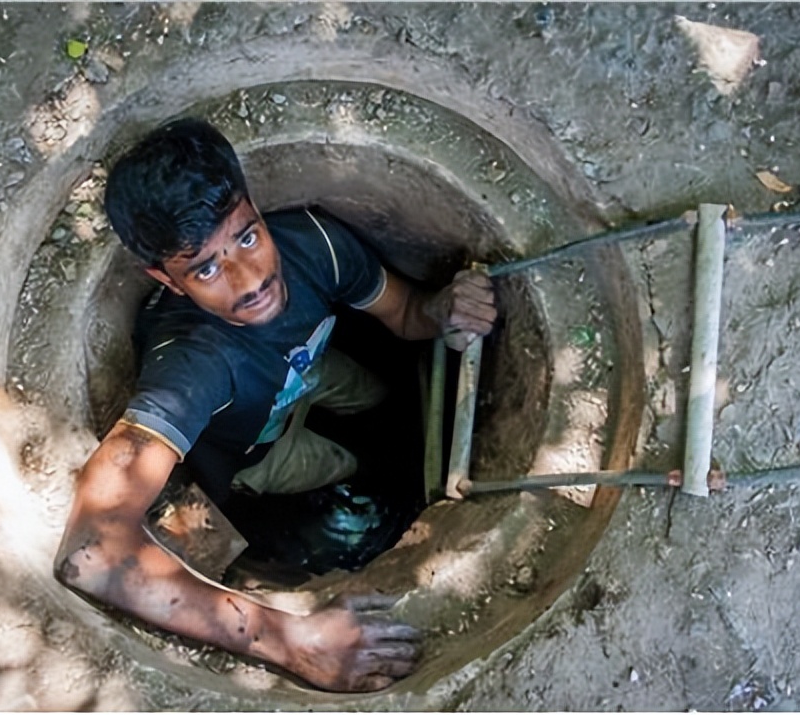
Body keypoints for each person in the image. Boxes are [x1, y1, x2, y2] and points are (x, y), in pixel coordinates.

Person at [53, 118, 497, 692]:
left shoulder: (314, 245)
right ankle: (361, 475)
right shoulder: (192, 364)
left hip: (309, 369)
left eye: (246, 236)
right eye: (206, 268)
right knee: (353, 487)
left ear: (255, 208)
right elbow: (90, 553)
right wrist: (290, 641)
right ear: (164, 278)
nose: (251, 278)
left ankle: (375, 445)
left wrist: (445, 309)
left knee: (382, 400)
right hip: (256, 453)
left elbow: (409, 315)